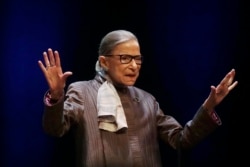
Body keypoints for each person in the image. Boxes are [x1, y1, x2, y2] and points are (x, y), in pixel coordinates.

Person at [38, 29, 238, 167]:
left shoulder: (147, 101)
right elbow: (55, 129)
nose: (134, 66)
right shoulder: (82, 92)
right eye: (125, 58)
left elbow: (180, 140)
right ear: (104, 61)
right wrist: (56, 96)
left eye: (138, 59)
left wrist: (208, 106)